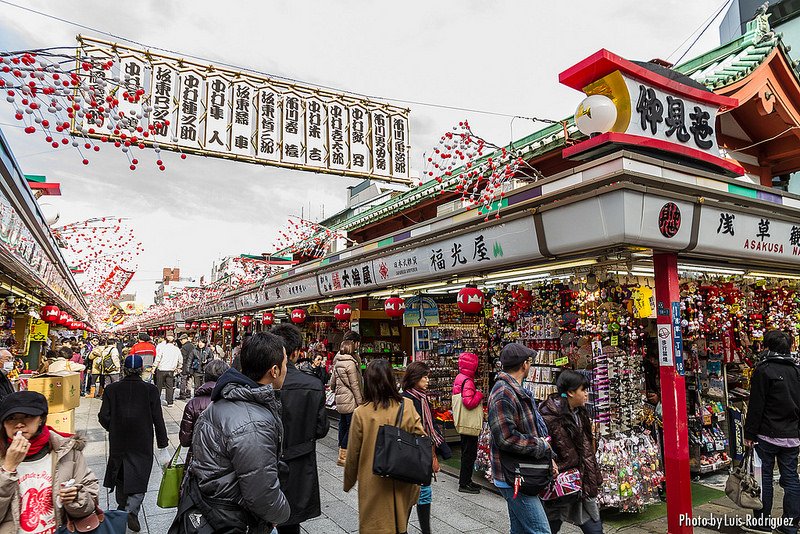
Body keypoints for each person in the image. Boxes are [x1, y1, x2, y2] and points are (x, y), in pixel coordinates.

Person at [179, 332, 290, 532]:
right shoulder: (253, 422)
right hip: (233, 515)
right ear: (274, 370)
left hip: (213, 504)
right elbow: (261, 493)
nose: (286, 370)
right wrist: (281, 513)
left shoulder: (222, 399)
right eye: (285, 365)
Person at [344, 359, 426, 534]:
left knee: (375, 526)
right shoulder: (407, 406)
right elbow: (420, 438)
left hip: (373, 481)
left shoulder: (361, 413)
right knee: (400, 524)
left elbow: (353, 453)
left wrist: (349, 480)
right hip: (403, 477)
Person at [0, 391, 100, 530]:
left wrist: (76, 497)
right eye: (11, 418)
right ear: (3, 424)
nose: (19, 424)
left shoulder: (67, 452)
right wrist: (8, 468)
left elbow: (91, 500)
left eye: (28, 416)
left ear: (41, 419)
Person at [99, 354, 169, 533]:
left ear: (124, 369)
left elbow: (103, 416)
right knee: (140, 473)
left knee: (121, 472)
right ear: (141, 370)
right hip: (142, 439)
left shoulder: (112, 389)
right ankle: (132, 509)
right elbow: (158, 419)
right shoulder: (150, 390)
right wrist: (163, 444)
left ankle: (123, 508)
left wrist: (112, 427)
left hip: (119, 439)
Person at [488, 343, 552, 534]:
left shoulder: (513, 390)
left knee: (520, 529)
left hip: (519, 471)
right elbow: (506, 438)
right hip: (513, 475)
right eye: (529, 362)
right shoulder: (503, 393)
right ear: (525, 364)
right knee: (540, 530)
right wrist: (540, 445)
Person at [271, 324, 329, 534]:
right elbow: (321, 429)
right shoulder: (312, 385)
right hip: (299, 463)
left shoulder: (259, 383)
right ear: (295, 353)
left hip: (262, 462)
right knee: (290, 521)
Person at [744, 329, 800, 534]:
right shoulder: (797, 371)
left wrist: (749, 434)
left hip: (766, 436)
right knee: (791, 478)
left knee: (763, 478)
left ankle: (762, 521)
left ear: (768, 347)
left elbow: (756, 406)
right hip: (792, 437)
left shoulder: (764, 370)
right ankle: (790, 524)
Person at [539, 370, 604, 534]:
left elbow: (587, 449)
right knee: (549, 527)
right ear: (570, 392)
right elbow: (543, 448)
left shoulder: (580, 413)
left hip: (581, 484)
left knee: (594, 527)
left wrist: (594, 476)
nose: (586, 394)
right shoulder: (549, 416)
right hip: (561, 486)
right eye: (583, 390)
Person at [402, 361, 444, 534]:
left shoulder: (423, 397)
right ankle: (402, 528)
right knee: (412, 492)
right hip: (412, 452)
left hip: (424, 450)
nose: (427, 380)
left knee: (424, 491)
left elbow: (431, 424)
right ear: (415, 378)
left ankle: (425, 530)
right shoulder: (406, 399)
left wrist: (440, 446)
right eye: (424, 377)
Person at [179, 359, 228, 467]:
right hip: (225, 461)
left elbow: (185, 440)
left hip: (198, 458)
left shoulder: (193, 404)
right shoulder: (232, 401)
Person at [452, 351, 484, 493]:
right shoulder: (468, 381)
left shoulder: (460, 377)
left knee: (466, 451)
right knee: (469, 453)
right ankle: (464, 483)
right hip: (469, 422)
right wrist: (479, 394)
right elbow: (469, 402)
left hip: (464, 421)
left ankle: (466, 480)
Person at [329, 337, 364, 466]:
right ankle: (343, 454)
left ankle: (341, 449)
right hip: (349, 399)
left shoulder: (337, 362)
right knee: (351, 426)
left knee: (343, 423)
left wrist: (336, 389)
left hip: (340, 399)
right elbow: (355, 385)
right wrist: (360, 401)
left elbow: (332, 383)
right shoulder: (350, 364)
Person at [153, 333, 181, 407]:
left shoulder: (162, 348)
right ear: (173, 341)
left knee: (158, 386)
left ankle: (156, 401)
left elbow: (157, 359)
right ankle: (170, 402)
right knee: (169, 386)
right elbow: (180, 360)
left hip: (161, 369)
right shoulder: (176, 349)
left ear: (166, 341)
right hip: (171, 370)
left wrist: (154, 367)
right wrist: (178, 367)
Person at [178, 334, 195, 400]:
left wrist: (180, 366)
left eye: (181, 340)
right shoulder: (192, 346)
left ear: (185, 339)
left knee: (183, 380)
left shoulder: (184, 347)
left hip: (185, 366)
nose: (180, 341)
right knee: (190, 380)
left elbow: (183, 358)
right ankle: (188, 393)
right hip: (192, 366)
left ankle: (182, 394)